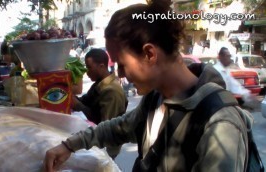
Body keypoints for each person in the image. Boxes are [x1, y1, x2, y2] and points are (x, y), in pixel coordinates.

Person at [44, 1, 251, 171]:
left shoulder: (220, 125)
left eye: (121, 65)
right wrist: (68, 145)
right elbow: (118, 128)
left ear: (150, 54)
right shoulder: (156, 99)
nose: (120, 75)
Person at [70, 48, 128, 158]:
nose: (87, 72)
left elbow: (105, 126)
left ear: (101, 66)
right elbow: (86, 100)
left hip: (107, 147)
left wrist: (77, 105)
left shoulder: (112, 91)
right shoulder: (99, 84)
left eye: (89, 68)